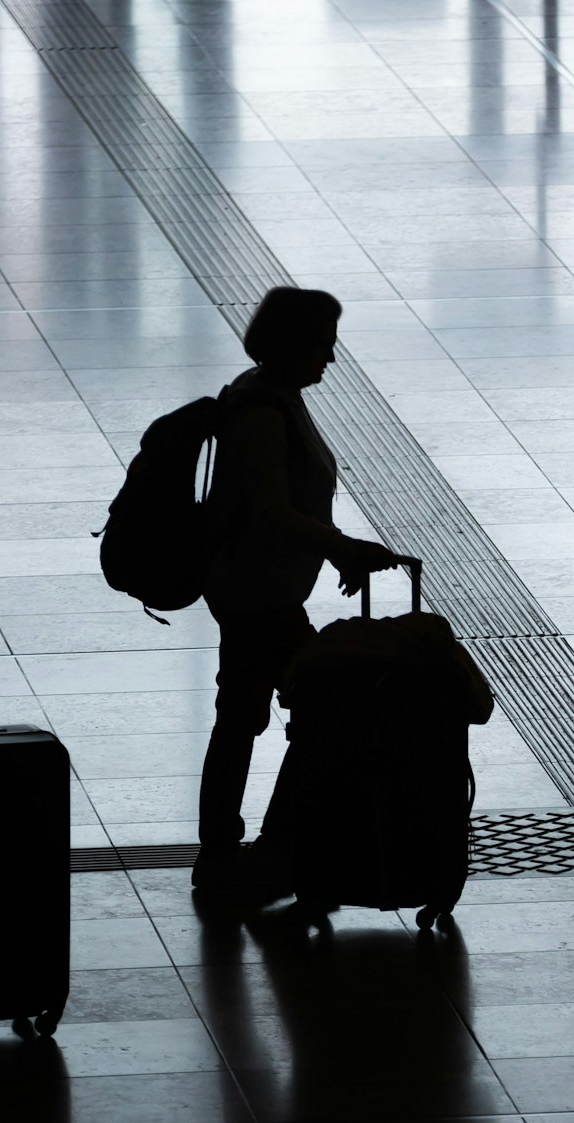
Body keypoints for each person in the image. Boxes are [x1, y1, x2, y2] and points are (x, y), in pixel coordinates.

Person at [192, 286, 398, 896]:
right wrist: (340, 545)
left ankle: (247, 848)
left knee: (259, 712)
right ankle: (257, 849)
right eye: (323, 346)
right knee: (311, 706)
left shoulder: (272, 396)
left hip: (265, 592)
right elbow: (269, 513)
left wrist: (331, 546)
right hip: (259, 598)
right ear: (294, 345)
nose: (331, 359)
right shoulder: (261, 410)